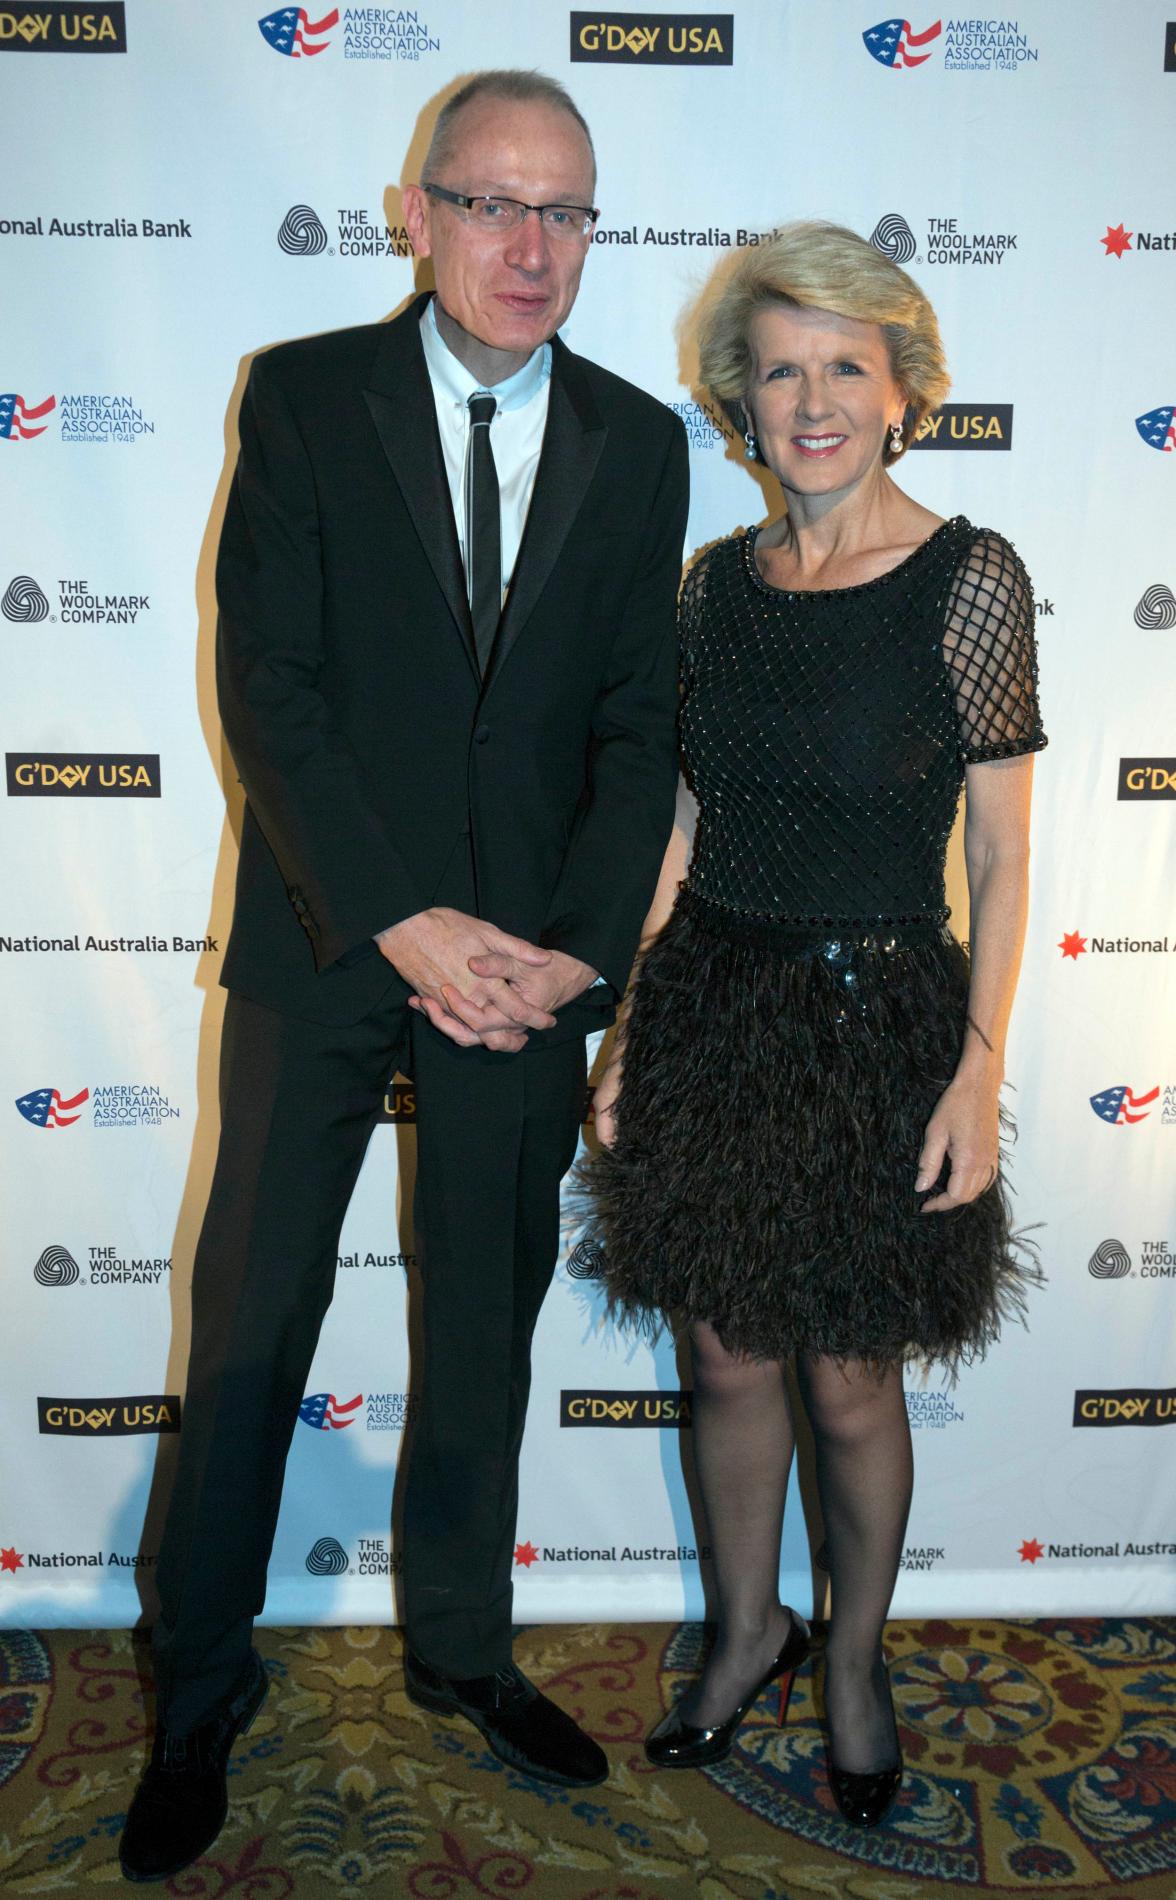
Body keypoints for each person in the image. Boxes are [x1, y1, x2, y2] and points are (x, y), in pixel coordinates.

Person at [119, 70, 688, 1883]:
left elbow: (633, 719)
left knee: (483, 1330)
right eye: (497, 205)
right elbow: (265, 687)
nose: (534, 249)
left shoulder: (641, 437)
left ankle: (461, 1648)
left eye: (568, 214)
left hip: (531, 969)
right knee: (255, 1325)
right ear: (416, 212)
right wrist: (398, 923)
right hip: (326, 938)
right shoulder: (299, 397)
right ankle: (201, 1687)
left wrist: (575, 956)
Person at [585, 221, 1045, 1828]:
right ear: (744, 403)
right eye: (780, 369)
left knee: (850, 1375)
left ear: (903, 386)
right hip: (714, 999)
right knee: (722, 1358)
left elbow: (998, 851)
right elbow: (684, 829)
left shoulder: (969, 577)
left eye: (844, 362)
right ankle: (745, 1636)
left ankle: (853, 1661)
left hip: (878, 1020)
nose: (813, 397)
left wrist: (983, 1066)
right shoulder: (715, 588)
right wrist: (633, 1025)